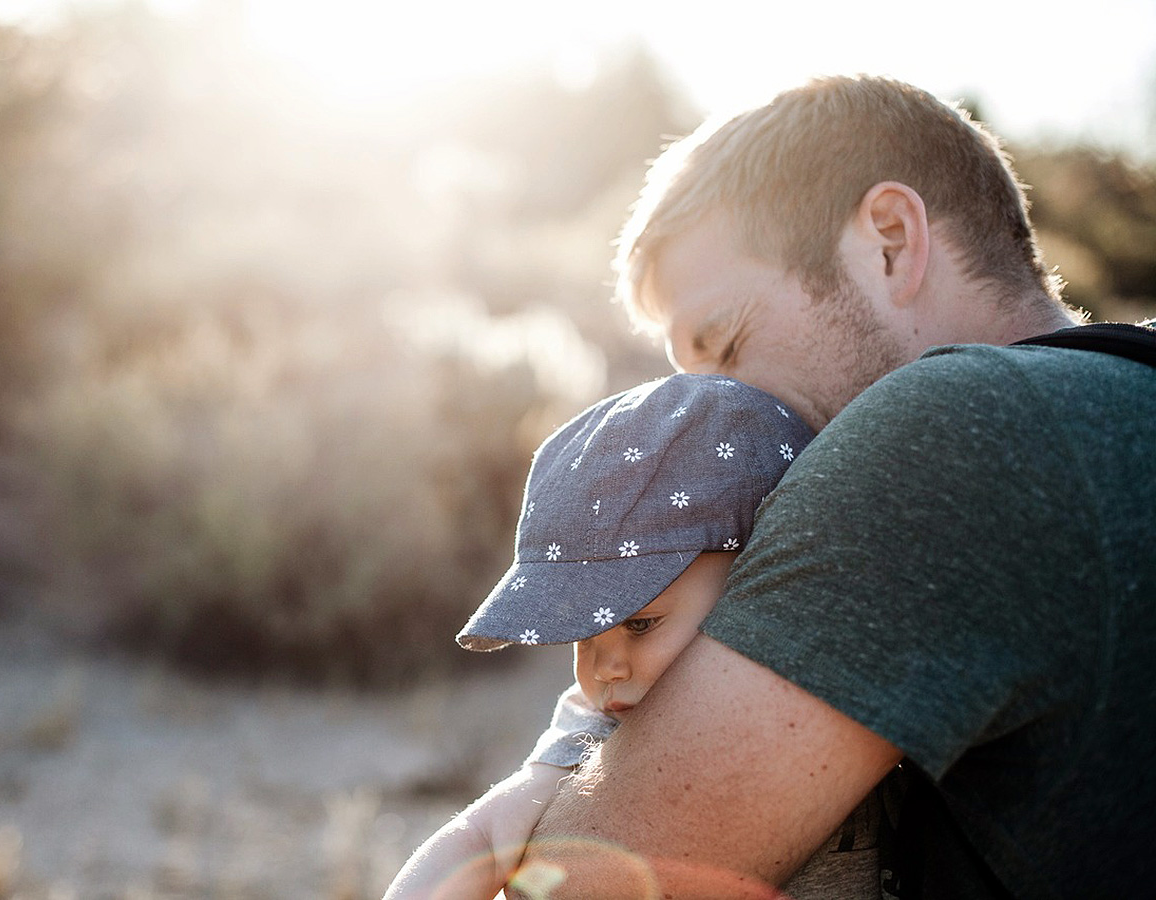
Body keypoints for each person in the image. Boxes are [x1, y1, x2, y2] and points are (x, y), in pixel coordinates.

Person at [505, 75, 1156, 899]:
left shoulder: (945, 432)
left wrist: (542, 782)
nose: (710, 416)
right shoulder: (1123, 396)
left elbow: (582, 888)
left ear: (889, 239)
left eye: (726, 345)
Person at [384, 372, 884, 900]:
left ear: (755, 576)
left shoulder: (846, 663)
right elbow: (484, 834)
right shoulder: (600, 726)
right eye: (582, 636)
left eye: (640, 624)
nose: (605, 668)